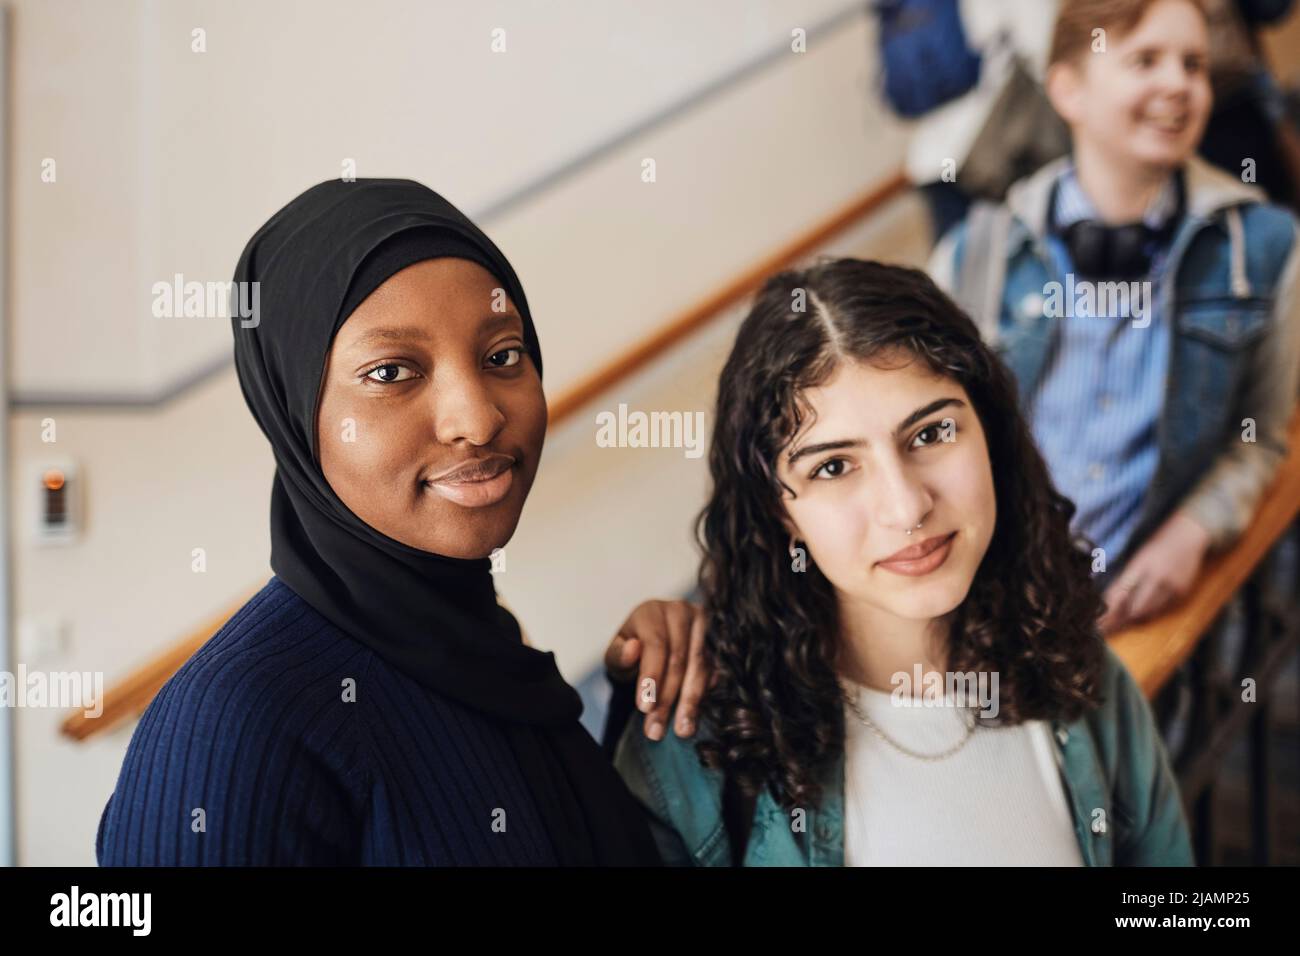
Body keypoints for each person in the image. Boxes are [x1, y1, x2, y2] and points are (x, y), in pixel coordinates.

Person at [96, 178, 703, 866]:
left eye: (503, 355)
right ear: (294, 412)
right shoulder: (235, 723)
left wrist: (643, 718)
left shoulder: (489, 655)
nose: (477, 418)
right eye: (391, 372)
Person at [612, 258, 1194, 866]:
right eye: (833, 467)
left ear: (989, 433)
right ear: (780, 513)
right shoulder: (694, 754)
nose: (906, 506)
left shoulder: (1078, 671)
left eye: (931, 434)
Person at [929, 0, 1300, 634]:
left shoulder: (1265, 247)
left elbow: (1258, 437)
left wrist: (1194, 529)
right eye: (1144, 60)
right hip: (990, 616)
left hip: (1138, 623)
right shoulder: (975, 255)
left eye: (1194, 65)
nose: (1178, 84)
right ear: (1067, 91)